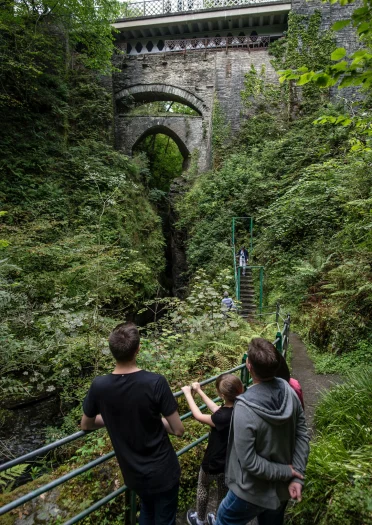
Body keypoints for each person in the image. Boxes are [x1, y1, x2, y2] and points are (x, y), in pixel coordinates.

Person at [80, 322, 185, 525]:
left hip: (133, 473)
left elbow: (86, 424)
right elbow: (178, 430)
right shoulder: (155, 382)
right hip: (163, 471)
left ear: (112, 351)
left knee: (146, 510)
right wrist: (155, 419)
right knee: (164, 518)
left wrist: (112, 418)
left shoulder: (99, 386)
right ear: (138, 349)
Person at [213, 338, 309, 525]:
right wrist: (296, 475)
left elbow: (249, 461)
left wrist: (287, 471)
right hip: (281, 491)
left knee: (223, 518)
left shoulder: (243, 407)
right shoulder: (289, 392)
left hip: (249, 492)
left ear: (249, 366)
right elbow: (302, 435)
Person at [181, 375, 244, 525]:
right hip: (228, 461)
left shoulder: (222, 417)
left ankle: (200, 519)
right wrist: (200, 391)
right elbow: (217, 410)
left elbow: (198, 415)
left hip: (213, 461)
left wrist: (188, 394)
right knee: (223, 492)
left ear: (222, 395)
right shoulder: (240, 407)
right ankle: (218, 518)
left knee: (203, 486)